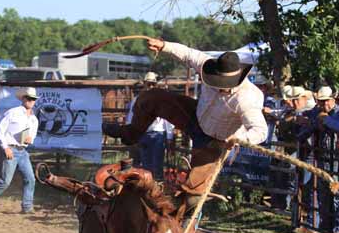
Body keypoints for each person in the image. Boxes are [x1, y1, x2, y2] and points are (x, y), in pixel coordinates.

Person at [102, 38, 267, 219]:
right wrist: (164, 46)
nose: (219, 88)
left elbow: (260, 130)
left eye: (223, 85)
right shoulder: (207, 66)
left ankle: (181, 225)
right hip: (194, 115)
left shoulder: (248, 99)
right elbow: (188, 53)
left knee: (194, 196)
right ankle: (129, 134)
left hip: (215, 141)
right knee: (151, 98)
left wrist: (238, 138)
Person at [0, 87, 39, 215]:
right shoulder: (13, 112)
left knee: (30, 179)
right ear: (23, 99)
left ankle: (27, 206)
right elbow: (0, 130)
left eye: (33, 99)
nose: (31, 101)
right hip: (11, 148)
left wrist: (30, 139)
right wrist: (5, 147)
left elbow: (32, 136)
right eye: (28, 98)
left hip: (22, 151)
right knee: (5, 181)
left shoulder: (34, 119)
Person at [126, 72, 174, 180]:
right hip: (144, 134)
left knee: (157, 163)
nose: (151, 86)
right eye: (149, 84)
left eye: (153, 84)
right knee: (146, 164)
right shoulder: (137, 100)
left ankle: (158, 188)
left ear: (156, 85)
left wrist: (169, 136)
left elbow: (168, 118)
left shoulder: (161, 100)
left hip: (158, 134)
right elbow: (131, 117)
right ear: (144, 84)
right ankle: (149, 190)